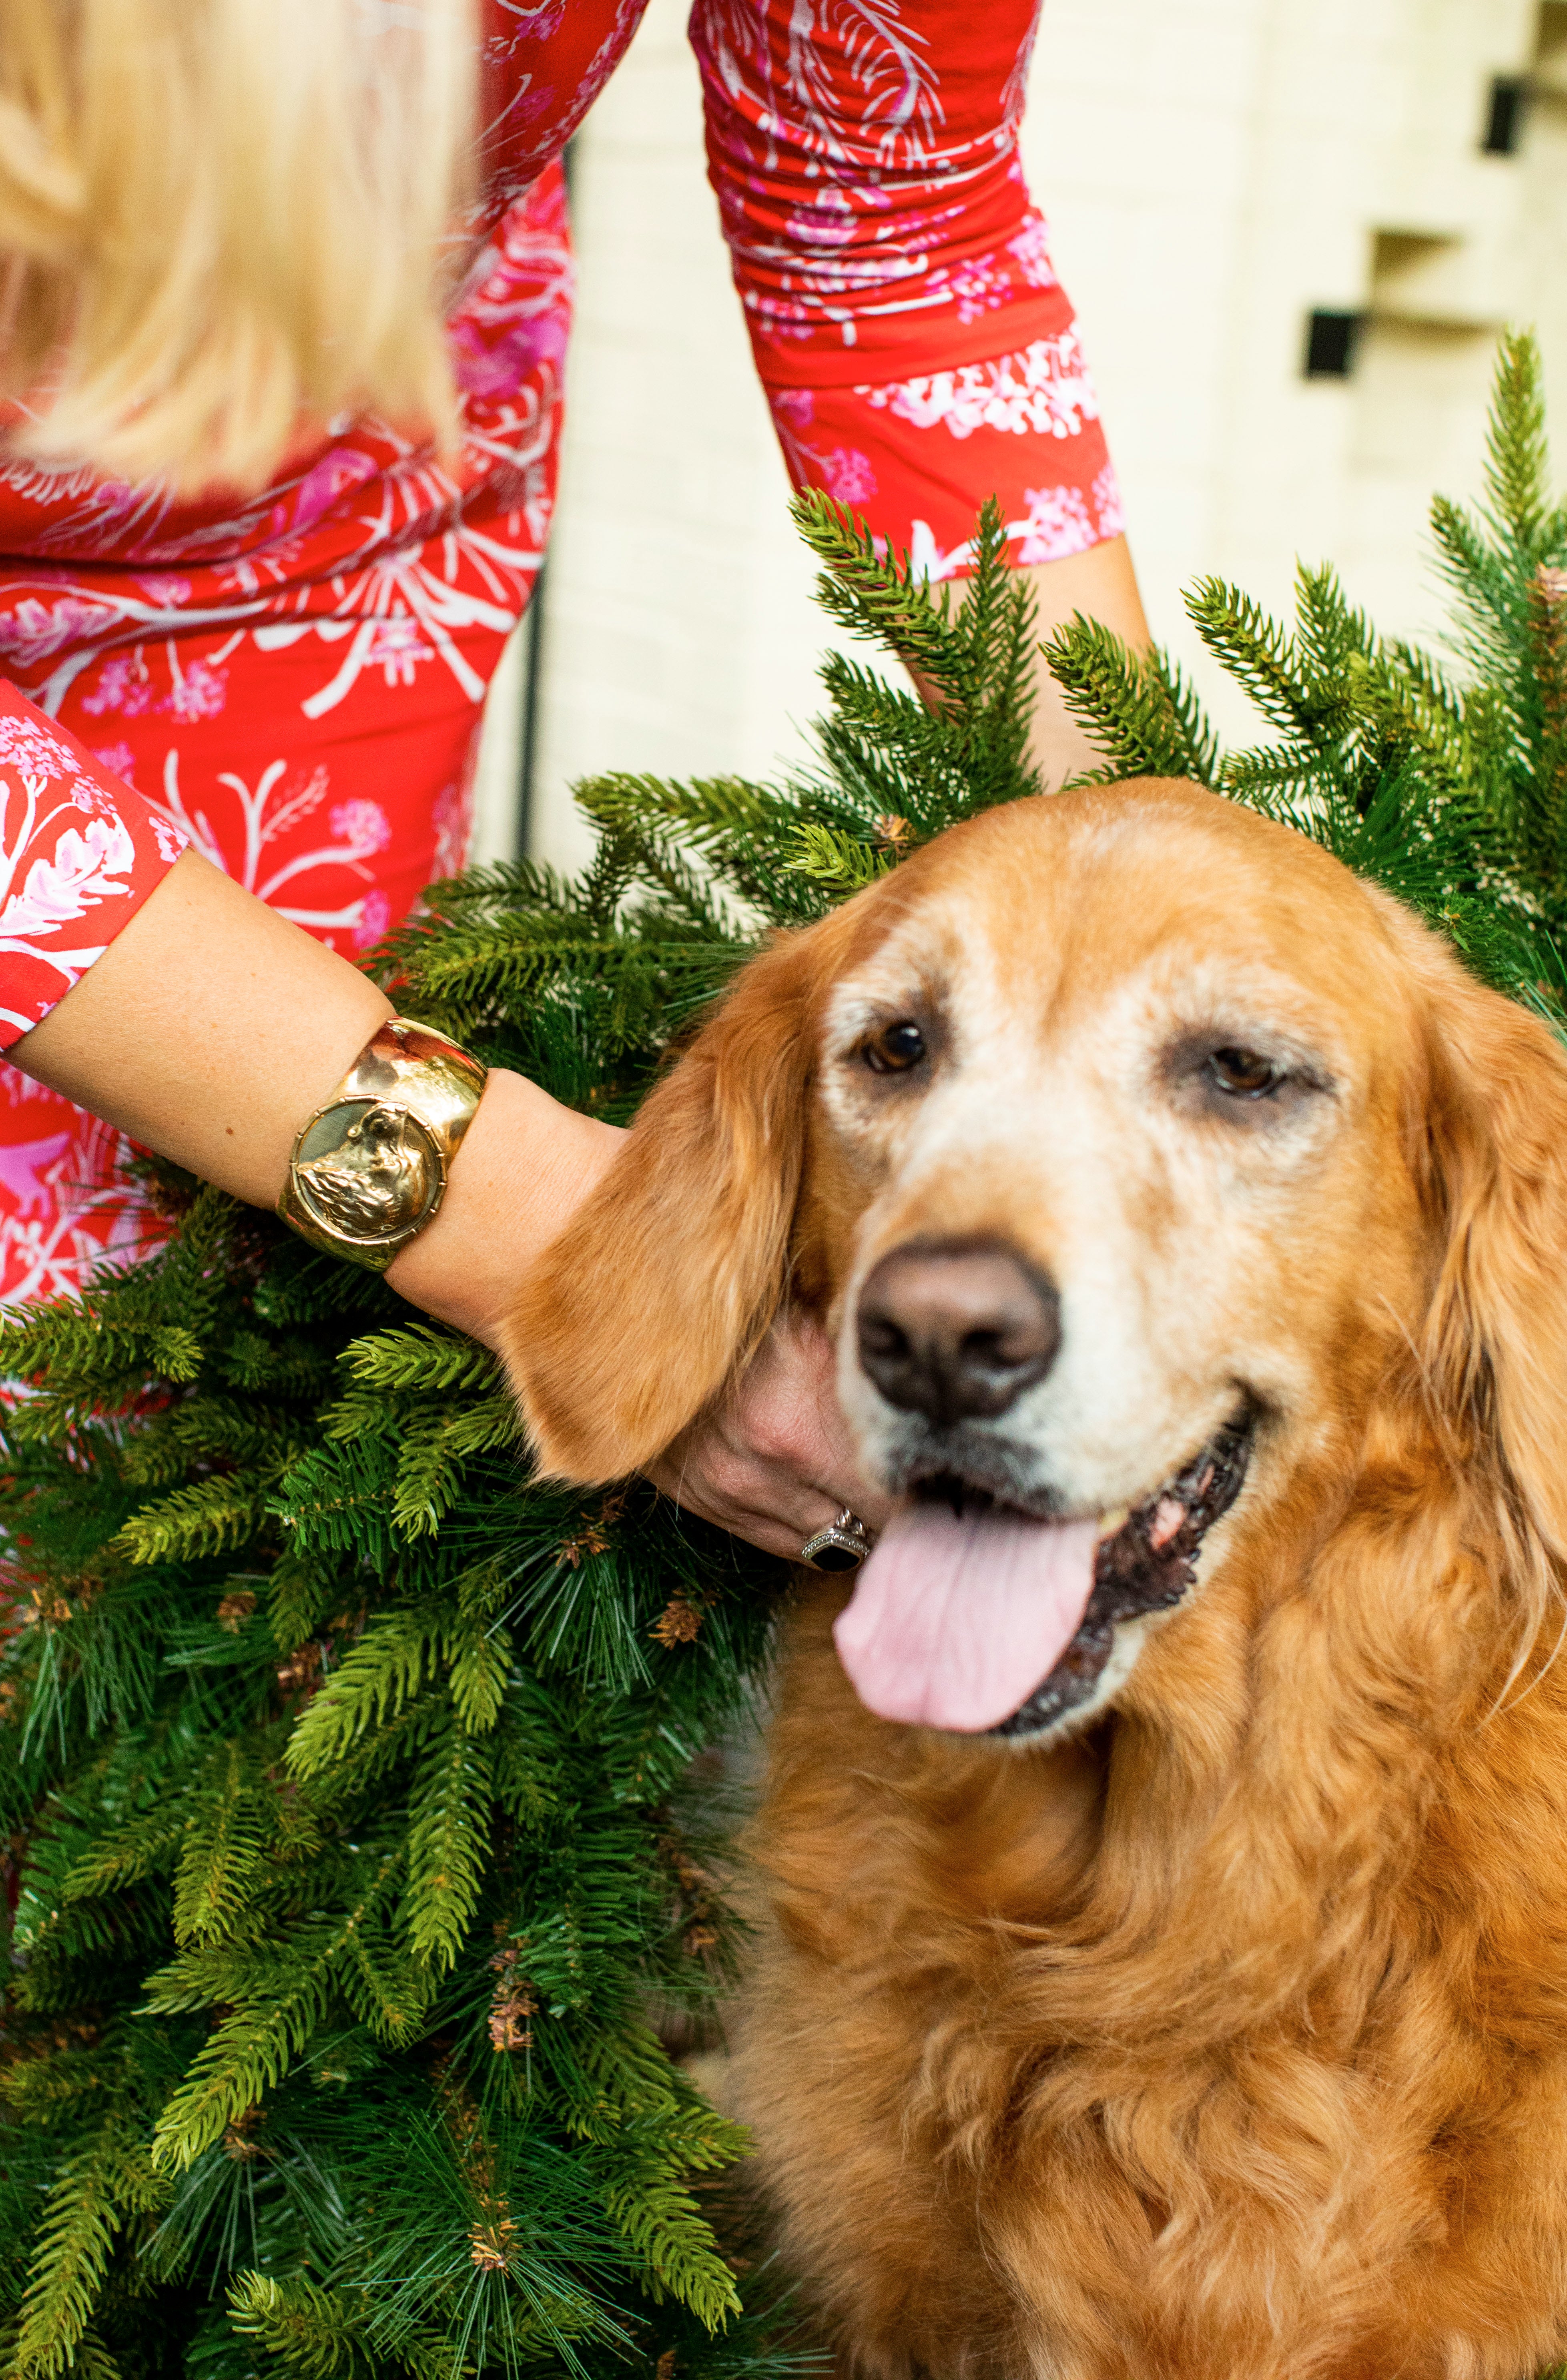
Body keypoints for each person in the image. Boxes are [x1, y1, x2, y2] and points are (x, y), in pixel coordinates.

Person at [0, 0, 1149, 1561]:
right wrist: (534, 1224)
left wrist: (1149, 900)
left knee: (190, 1401)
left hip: (315, 538)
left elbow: (887, 210)